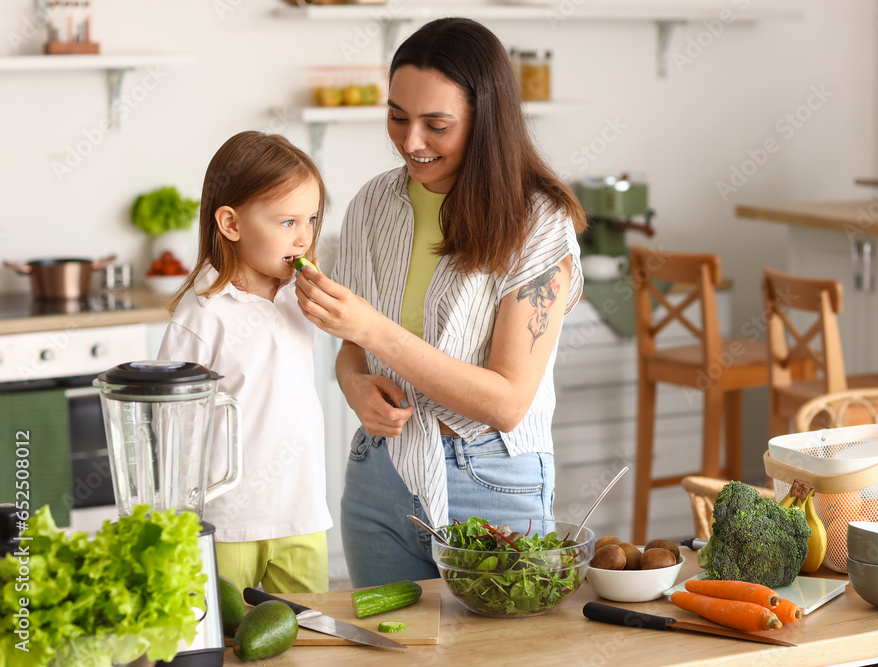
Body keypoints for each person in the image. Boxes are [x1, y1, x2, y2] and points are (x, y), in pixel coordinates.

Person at [294, 17, 588, 587]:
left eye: (437, 124)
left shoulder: (538, 225)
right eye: (397, 117)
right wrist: (355, 387)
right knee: (389, 648)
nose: (411, 142)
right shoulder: (371, 204)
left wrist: (375, 332)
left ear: (486, 121)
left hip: (493, 481)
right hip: (379, 473)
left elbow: (506, 403)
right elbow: (353, 352)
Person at [158, 130, 332, 594]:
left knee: (309, 644)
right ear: (231, 224)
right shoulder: (201, 314)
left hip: (302, 512)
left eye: (311, 219)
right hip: (227, 522)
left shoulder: (303, 299)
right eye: (286, 222)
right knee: (225, 645)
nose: (304, 236)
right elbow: (173, 425)